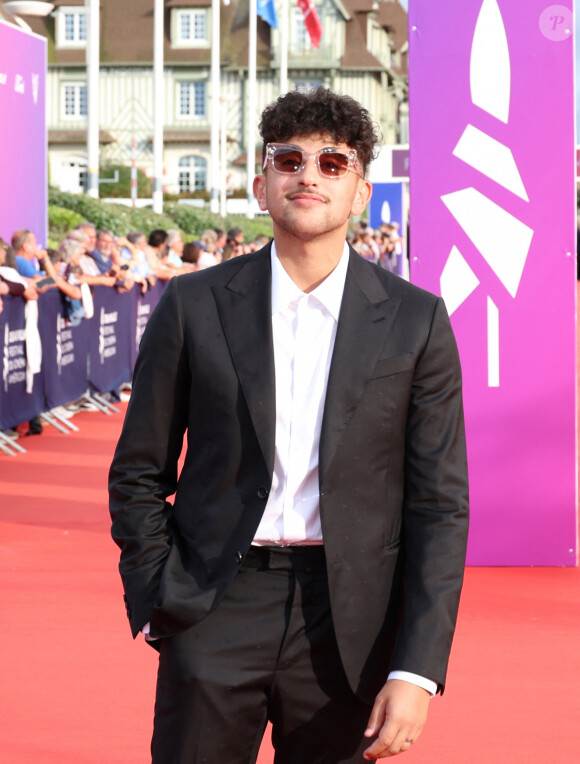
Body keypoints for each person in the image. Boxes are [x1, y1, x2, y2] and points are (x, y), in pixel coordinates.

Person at [109, 87, 469, 763]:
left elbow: (440, 504)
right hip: (215, 602)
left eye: (334, 163)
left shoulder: (416, 321)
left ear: (360, 191)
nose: (309, 174)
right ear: (262, 183)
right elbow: (138, 469)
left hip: (351, 620)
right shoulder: (192, 305)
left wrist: (417, 667)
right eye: (290, 159)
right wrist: (162, 595)